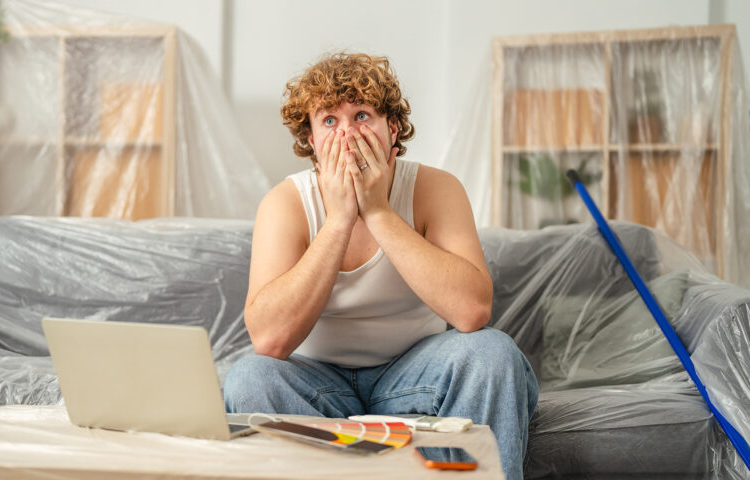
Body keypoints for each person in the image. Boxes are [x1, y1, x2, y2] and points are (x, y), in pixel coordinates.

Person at [223, 52, 538, 479]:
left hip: (414, 373)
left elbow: (472, 312)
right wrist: (337, 222)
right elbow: (270, 339)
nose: (347, 133)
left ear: (392, 129)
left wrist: (378, 212)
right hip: (317, 385)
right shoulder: (286, 203)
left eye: (362, 114)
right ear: (311, 141)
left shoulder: (435, 188)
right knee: (248, 378)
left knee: (493, 353)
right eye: (329, 121)